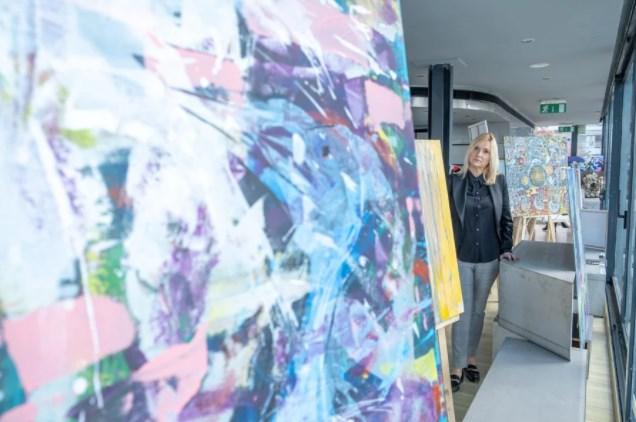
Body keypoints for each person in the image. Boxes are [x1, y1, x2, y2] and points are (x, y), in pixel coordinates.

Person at [448, 132, 516, 392]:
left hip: (489, 258)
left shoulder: (499, 182)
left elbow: (506, 218)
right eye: (476, 148)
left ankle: (471, 357)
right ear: (470, 150)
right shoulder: (454, 181)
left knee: (478, 310)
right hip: (461, 257)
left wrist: (506, 248)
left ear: (491, 157)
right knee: (462, 312)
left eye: (486, 151)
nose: (479, 154)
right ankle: (457, 365)